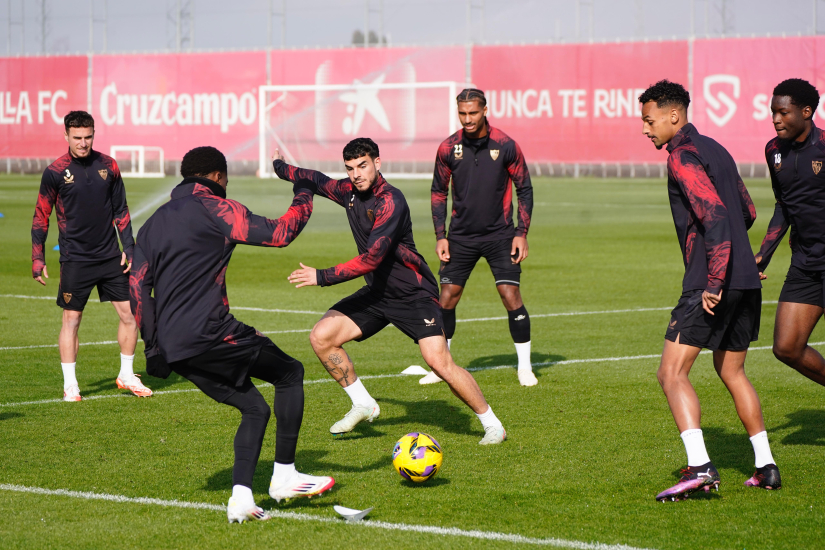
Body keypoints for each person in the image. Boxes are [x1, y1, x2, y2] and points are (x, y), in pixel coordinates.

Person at [130, 146, 334, 523]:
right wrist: (304, 190)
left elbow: (138, 285)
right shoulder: (215, 207)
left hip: (176, 349)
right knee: (290, 373)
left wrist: (153, 347)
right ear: (219, 177)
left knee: (254, 408)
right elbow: (280, 233)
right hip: (212, 334)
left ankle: (240, 499)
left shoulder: (155, 222)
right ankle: (284, 475)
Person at [274, 137, 507, 445]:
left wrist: (322, 276)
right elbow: (315, 179)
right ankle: (364, 403)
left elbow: (372, 258)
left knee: (438, 362)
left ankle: (492, 425)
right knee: (322, 337)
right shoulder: (349, 193)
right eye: (350, 168)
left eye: (362, 166)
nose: (356, 174)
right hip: (378, 293)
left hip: (414, 294)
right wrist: (280, 167)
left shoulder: (391, 201)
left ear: (377, 163)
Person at [639, 80, 780, 502]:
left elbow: (716, 217)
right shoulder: (717, 148)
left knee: (670, 373)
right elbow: (748, 211)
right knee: (733, 371)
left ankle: (700, 468)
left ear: (673, 115)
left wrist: (715, 280)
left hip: (710, 282)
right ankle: (766, 466)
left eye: (650, 121)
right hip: (746, 281)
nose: (646, 129)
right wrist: (737, 269)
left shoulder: (682, 157)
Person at [31, 110, 151, 402]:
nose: (83, 143)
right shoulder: (55, 171)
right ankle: (70, 384)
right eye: (77, 138)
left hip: (111, 257)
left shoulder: (109, 166)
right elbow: (40, 217)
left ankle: (126, 374)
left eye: (87, 137)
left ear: (93, 134)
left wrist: (129, 248)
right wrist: (38, 258)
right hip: (75, 259)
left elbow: (121, 210)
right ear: (66, 136)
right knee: (71, 320)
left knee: (130, 316)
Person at [427, 88, 536, 386]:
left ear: (485, 110)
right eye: (462, 113)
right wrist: (441, 236)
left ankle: (524, 366)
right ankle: (442, 365)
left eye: (473, 113)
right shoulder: (448, 147)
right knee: (446, 297)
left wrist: (521, 233)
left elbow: (524, 189)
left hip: (500, 235)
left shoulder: (506, 145)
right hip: (459, 237)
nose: (467, 119)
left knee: (510, 295)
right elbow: (438, 192)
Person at [754, 79, 825, 398]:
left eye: (783, 112)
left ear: (807, 112)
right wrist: (762, 255)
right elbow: (783, 205)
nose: (775, 119)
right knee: (786, 347)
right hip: (806, 263)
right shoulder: (773, 150)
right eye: (773, 112)